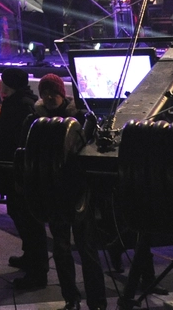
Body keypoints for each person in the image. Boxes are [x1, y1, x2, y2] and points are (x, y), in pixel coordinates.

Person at [18, 73, 105, 310]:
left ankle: (97, 301)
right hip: (53, 196)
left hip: (78, 194)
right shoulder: (34, 120)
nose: (48, 97)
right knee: (61, 249)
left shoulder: (80, 118)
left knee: (87, 249)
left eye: (53, 92)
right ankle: (72, 298)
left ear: (62, 94)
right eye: (45, 92)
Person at [0, 70, 44, 278]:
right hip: (13, 167)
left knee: (26, 215)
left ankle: (36, 266)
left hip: (18, 170)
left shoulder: (22, 105)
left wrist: (18, 172)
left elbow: (20, 142)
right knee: (17, 211)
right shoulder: (18, 101)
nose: (1, 85)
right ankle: (30, 255)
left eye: (4, 81)